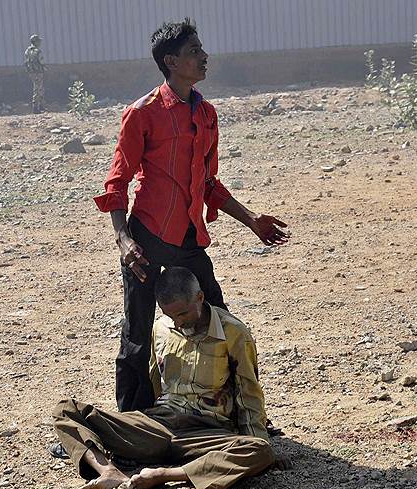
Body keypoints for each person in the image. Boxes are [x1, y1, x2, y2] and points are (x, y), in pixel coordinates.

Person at [93, 18, 289, 413]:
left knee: (219, 320)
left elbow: (208, 184)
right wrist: (123, 239)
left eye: (201, 49)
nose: (204, 57)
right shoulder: (142, 113)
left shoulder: (206, 114)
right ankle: (135, 421)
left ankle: (240, 412)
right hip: (146, 238)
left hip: (187, 238)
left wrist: (251, 220)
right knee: (137, 332)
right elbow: (117, 180)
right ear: (171, 61)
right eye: (194, 52)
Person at [52, 268, 279, 489]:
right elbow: (153, 380)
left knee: (259, 450)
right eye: (171, 315)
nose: (179, 322)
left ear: (200, 298)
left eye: (183, 313)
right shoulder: (161, 328)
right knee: (66, 410)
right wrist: (134, 427)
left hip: (207, 432)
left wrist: (258, 442)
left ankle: (163, 475)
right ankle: (108, 472)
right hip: (159, 424)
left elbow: (249, 393)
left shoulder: (234, 333)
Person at [24, 34, 46, 114]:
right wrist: (44, 67)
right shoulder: (37, 51)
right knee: (38, 89)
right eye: (38, 41)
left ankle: (39, 106)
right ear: (35, 42)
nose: (40, 42)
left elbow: (26, 62)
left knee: (37, 88)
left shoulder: (27, 51)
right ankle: (36, 107)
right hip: (38, 72)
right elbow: (41, 61)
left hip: (31, 72)